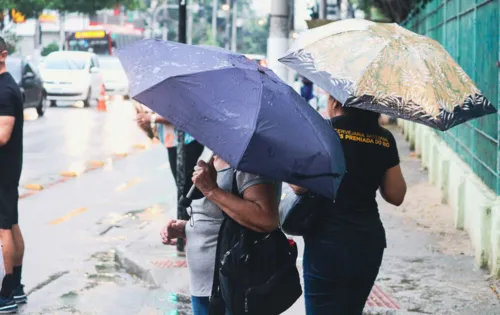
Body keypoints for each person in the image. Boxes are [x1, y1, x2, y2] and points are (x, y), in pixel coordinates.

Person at [290, 95, 407, 315]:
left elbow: (299, 187)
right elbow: (396, 194)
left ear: (336, 101)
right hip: (367, 243)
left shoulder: (323, 130)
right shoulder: (384, 138)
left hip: (327, 241)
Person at [160, 155, 280, 315]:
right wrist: (185, 228)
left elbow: (267, 219)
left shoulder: (247, 165)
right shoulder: (211, 156)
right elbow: (217, 218)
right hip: (202, 287)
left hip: (232, 289)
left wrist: (212, 191)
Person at [136, 111, 204, 255]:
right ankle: (187, 233)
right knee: (184, 188)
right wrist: (147, 123)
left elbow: (181, 114)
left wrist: (151, 118)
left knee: (187, 188)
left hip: (187, 140)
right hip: (173, 141)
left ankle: (189, 234)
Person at [0, 36, 26, 313]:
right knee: (12, 224)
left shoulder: (5, 90)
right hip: (8, 169)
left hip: (3, 170)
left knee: (4, 228)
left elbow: (3, 135)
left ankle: (6, 294)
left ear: (3, 55)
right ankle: (16, 287)